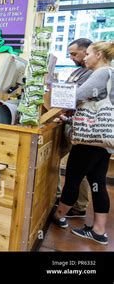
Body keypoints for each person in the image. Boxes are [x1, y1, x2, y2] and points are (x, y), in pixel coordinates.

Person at [53, 41, 114, 246]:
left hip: (88, 143)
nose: (85, 57)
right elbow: (92, 110)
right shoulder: (111, 74)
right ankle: (98, 230)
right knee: (98, 183)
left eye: (87, 54)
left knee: (72, 179)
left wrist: (58, 104)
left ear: (98, 54)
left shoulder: (101, 73)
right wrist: (70, 119)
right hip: (102, 142)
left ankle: (59, 215)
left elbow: (76, 96)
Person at [56, 38, 93, 217]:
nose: (71, 57)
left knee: (80, 169)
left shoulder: (93, 73)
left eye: (74, 53)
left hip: (81, 126)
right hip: (68, 122)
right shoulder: (78, 71)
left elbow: (76, 97)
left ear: (87, 51)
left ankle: (79, 205)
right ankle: (67, 200)